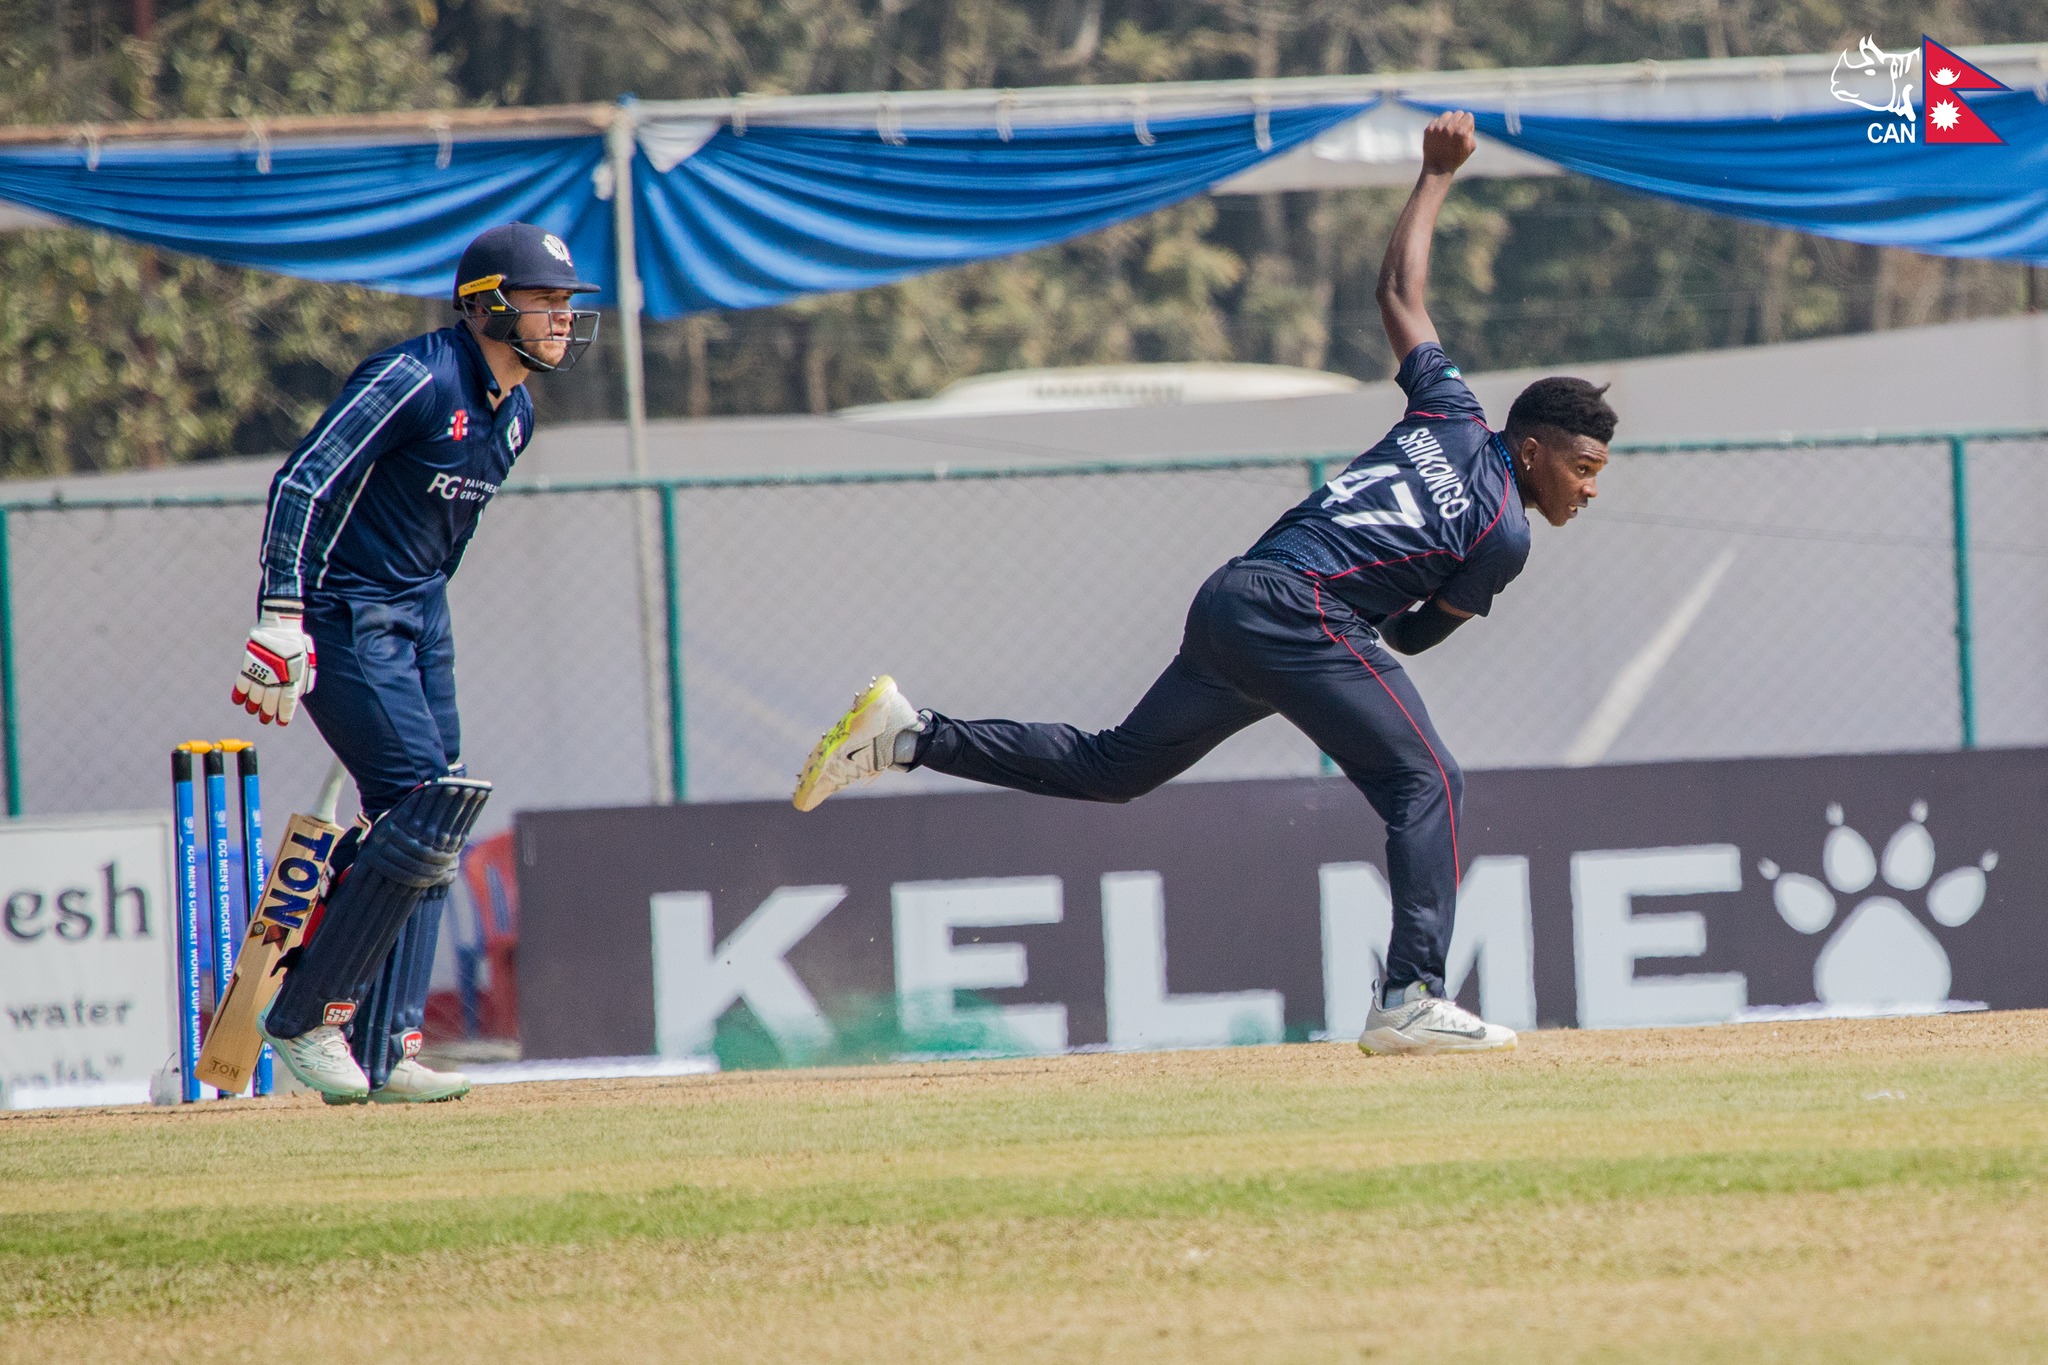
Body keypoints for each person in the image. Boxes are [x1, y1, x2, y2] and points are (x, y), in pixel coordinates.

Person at [790, 112, 1616, 1056]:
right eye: (1583, 467)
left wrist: (1434, 174)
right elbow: (1414, 636)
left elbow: (1396, 291)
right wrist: (1417, 602)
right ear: (1533, 450)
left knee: (1114, 768)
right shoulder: (1505, 532)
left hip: (1236, 597)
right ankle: (1412, 995)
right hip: (1304, 613)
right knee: (1428, 780)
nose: (1589, 489)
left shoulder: (1450, 409)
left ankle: (910, 735)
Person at [231, 222, 599, 1101]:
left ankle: (386, 1045)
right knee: (419, 804)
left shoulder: (517, 416)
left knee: (439, 810)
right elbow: (304, 480)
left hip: (420, 616)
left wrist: (419, 627)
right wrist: (281, 614)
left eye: (566, 303)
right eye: (544, 301)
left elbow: (442, 543)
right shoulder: (415, 378)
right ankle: (303, 1015)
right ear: (486, 306)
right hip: (342, 610)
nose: (561, 318)